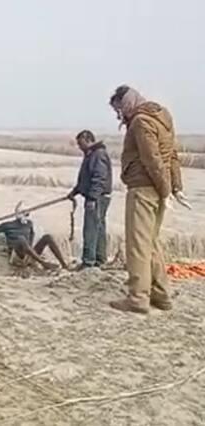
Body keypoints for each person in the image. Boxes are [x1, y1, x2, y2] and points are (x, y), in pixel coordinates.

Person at [108, 85, 187, 314]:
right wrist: (174, 187)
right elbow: (171, 154)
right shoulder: (161, 117)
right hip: (158, 188)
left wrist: (166, 190)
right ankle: (161, 294)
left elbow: (152, 158)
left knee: (138, 246)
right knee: (150, 242)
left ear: (127, 102)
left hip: (143, 188)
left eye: (119, 108)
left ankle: (138, 298)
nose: (120, 115)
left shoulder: (140, 122)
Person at [68, 130, 113, 271]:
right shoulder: (92, 154)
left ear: (88, 140)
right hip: (98, 196)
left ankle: (88, 262)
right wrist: (75, 191)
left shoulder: (98, 155)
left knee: (91, 229)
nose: (79, 147)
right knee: (98, 228)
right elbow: (86, 178)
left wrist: (92, 198)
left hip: (97, 197)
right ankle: (99, 260)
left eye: (80, 143)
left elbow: (99, 178)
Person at [0, 211, 68, 270]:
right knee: (21, 239)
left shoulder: (29, 223)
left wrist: (30, 250)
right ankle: (43, 263)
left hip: (28, 255)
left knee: (47, 237)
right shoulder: (8, 225)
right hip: (16, 256)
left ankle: (64, 265)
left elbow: (32, 235)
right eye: (25, 214)